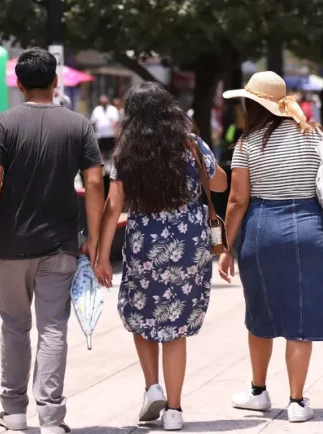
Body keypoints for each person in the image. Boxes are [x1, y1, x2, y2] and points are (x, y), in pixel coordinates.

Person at [219, 71, 323, 423]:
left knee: (261, 312)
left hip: (262, 229)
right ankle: (297, 401)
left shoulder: (247, 144)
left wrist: (226, 247)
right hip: (308, 228)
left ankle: (258, 391)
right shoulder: (315, 136)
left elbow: (238, 201)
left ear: (253, 105)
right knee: (301, 315)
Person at [0, 47, 105, 434]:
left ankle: (13, 412)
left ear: (19, 84)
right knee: (52, 328)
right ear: (55, 82)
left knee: (14, 325)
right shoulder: (78, 125)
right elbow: (96, 181)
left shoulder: (4, 123)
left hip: (13, 243)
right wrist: (95, 240)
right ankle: (51, 417)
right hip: (61, 244)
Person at [94, 82, 227, 431]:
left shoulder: (127, 152)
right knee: (176, 327)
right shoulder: (190, 144)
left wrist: (102, 256)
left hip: (144, 243)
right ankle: (174, 410)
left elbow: (113, 207)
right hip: (188, 243)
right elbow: (221, 184)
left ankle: (152, 385)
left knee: (141, 310)